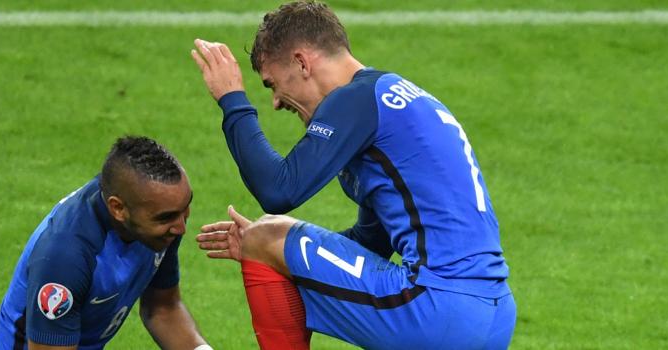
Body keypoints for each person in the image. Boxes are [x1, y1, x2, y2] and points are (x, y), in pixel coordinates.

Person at [190, 1, 516, 349]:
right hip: (493, 313)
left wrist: (232, 99)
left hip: (435, 306)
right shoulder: (394, 98)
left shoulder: (356, 100)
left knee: (266, 234)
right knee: (268, 242)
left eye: (272, 84)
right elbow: (372, 241)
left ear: (301, 62)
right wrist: (290, 260)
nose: (276, 102)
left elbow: (277, 191)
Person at [0, 136, 211, 350]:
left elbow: (162, 309)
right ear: (118, 208)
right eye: (167, 217)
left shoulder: (156, 215)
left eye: (185, 208)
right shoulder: (65, 258)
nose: (181, 227)